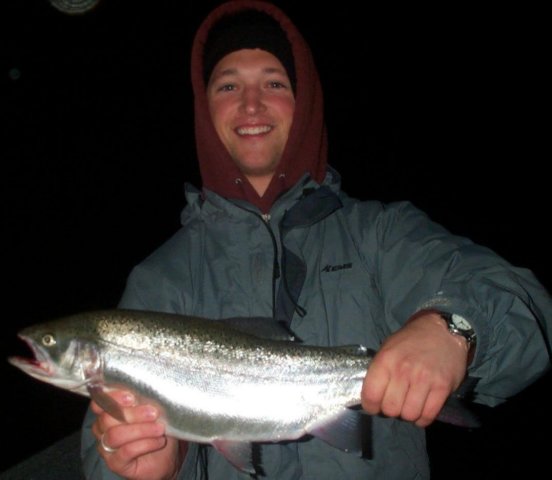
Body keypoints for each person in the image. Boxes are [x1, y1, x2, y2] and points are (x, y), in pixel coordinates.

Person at [81, 1, 552, 479]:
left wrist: (455, 328)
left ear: (304, 103)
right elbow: (100, 455)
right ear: (204, 109)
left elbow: (528, 313)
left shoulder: (379, 234)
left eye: (274, 82)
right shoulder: (159, 278)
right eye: (228, 85)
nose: (250, 104)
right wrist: (147, 465)